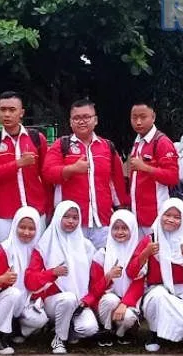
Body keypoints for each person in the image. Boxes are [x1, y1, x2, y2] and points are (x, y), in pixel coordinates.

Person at [43, 99, 127, 247]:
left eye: (86, 117)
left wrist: (121, 212)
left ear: (95, 120)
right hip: (72, 223)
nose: (81, 121)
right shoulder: (61, 145)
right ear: (70, 122)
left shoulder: (107, 146)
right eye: (76, 118)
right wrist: (72, 169)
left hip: (103, 222)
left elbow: (117, 182)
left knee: (103, 266)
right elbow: (48, 173)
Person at [26, 200, 102, 354]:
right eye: (66, 216)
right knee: (67, 298)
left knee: (89, 329)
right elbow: (30, 281)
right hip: (52, 301)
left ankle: (66, 330)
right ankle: (59, 339)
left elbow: (96, 281)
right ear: (58, 217)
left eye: (75, 217)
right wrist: (52, 273)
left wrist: (87, 300)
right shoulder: (44, 245)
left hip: (79, 303)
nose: (71, 221)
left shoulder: (86, 246)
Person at [128, 197, 183, 351]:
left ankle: (175, 331)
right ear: (160, 215)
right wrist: (146, 253)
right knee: (158, 297)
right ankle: (154, 333)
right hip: (157, 289)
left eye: (176, 217)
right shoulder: (150, 239)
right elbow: (132, 272)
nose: (171, 220)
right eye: (167, 215)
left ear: (182, 220)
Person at [0, 92, 50, 248]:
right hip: (6, 213)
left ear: (21, 113)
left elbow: (46, 176)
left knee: (36, 258)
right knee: (5, 259)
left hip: (36, 211)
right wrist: (18, 163)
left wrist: (48, 206)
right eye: (3, 110)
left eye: (12, 110)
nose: (7, 114)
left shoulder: (37, 139)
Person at [0, 206, 49, 353]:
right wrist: (0, 279)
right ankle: (0, 335)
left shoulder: (39, 250)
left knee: (40, 319)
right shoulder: (4, 250)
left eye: (31, 228)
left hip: (24, 302)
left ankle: (17, 328)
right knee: (13, 293)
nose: (26, 232)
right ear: (15, 225)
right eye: (22, 227)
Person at [125, 101, 179, 236]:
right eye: (134, 117)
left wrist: (145, 168)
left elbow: (173, 177)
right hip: (136, 217)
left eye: (143, 117)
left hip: (156, 217)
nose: (138, 122)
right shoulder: (137, 141)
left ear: (153, 117)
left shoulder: (162, 142)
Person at [93, 210, 144, 346]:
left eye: (124, 228)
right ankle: (106, 329)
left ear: (132, 229)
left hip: (128, 302)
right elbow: (94, 288)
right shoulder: (102, 253)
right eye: (116, 228)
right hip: (106, 301)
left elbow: (138, 285)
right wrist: (108, 276)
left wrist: (124, 303)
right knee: (110, 300)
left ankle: (122, 332)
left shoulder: (138, 254)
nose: (120, 232)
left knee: (127, 317)